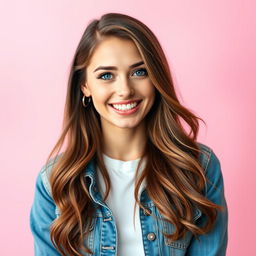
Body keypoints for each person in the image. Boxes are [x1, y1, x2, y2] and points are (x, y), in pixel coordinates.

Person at [29, 12, 228, 256]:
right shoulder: (55, 182)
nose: (124, 89)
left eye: (139, 72)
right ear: (85, 86)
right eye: (106, 76)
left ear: (156, 78)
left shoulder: (199, 168)